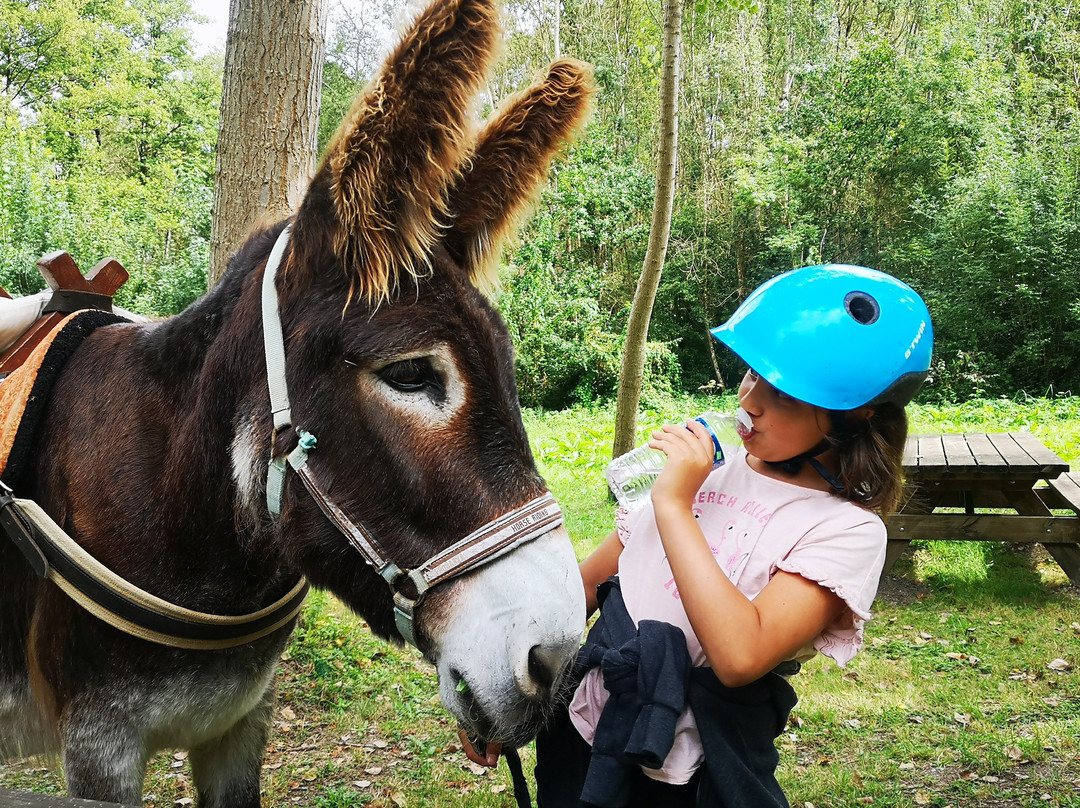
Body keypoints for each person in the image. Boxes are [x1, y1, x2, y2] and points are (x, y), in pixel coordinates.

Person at [463, 264, 933, 808]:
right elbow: (584, 589)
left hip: (693, 770)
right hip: (584, 727)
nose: (752, 400)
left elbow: (739, 656)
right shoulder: (707, 470)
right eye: (752, 373)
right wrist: (501, 699)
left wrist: (673, 504)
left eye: (784, 394)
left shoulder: (846, 530)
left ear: (856, 415)